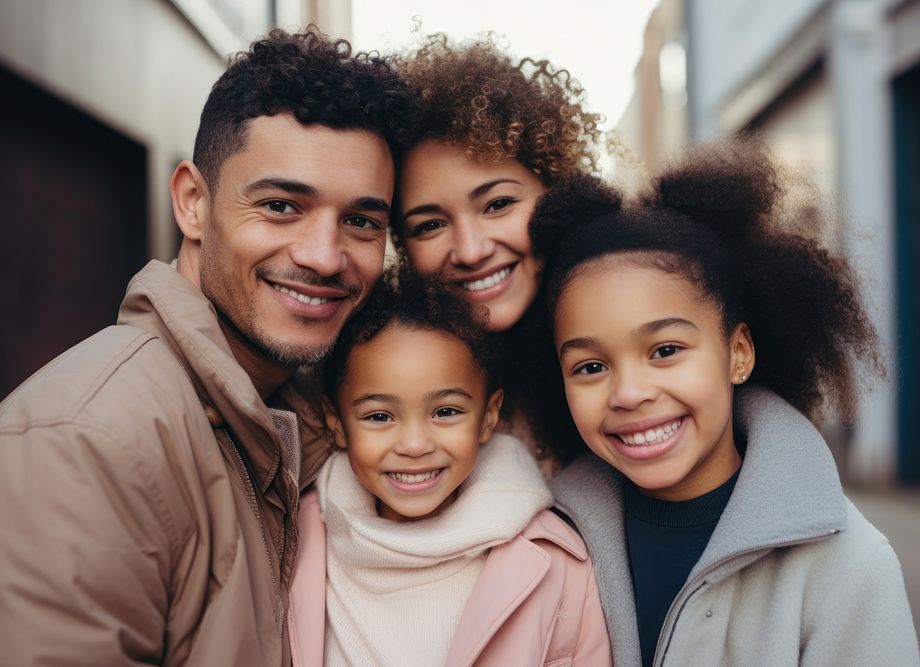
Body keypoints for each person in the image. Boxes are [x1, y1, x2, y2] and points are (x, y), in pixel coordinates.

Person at [0, 28, 415, 666]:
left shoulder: (302, 427)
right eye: (281, 206)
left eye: (361, 222)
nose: (324, 256)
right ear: (192, 204)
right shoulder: (83, 445)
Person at [531, 143, 919, 666]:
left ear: (738, 353)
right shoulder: (549, 544)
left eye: (665, 351)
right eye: (590, 367)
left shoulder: (848, 567)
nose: (628, 393)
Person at [287, 269, 611, 666]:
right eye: (378, 417)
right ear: (336, 422)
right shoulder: (291, 540)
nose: (414, 445)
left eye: (445, 412)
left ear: (488, 417)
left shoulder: (559, 560)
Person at [390, 34, 605, 476]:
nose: (471, 251)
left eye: (498, 205)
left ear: (556, 190)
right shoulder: (375, 374)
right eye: (430, 225)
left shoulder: (642, 306)